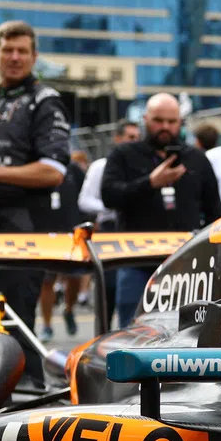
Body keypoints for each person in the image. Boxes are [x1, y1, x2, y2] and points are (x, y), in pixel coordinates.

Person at [0, 20, 71, 385]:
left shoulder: (46, 100)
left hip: (25, 232)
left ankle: (29, 414)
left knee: (16, 325)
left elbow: (53, 171)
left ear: (34, 56)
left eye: (22, 51)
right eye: (7, 50)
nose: (14, 57)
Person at [102, 93, 221, 326]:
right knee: (132, 331)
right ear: (145, 119)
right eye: (158, 120)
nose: (165, 127)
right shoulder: (124, 154)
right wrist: (150, 183)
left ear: (180, 122)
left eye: (171, 121)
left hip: (186, 267)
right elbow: (109, 196)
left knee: (187, 334)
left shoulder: (197, 159)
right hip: (136, 261)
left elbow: (214, 213)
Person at [79, 120, 140, 314]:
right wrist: (112, 206)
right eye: (130, 137)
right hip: (110, 231)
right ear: (117, 138)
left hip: (137, 232)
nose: (134, 141)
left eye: (137, 138)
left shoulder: (142, 167)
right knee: (110, 288)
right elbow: (84, 200)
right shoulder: (100, 166)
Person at [37, 152, 88, 340]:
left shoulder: (74, 170)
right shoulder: (38, 168)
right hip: (46, 233)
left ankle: (69, 309)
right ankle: (47, 325)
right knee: (47, 280)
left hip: (71, 232)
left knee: (75, 277)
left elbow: (85, 197)